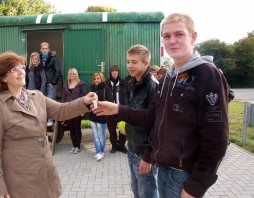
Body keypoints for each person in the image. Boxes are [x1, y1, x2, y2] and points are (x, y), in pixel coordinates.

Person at [93, 13, 229, 198]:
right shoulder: (168, 77)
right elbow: (152, 117)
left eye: (179, 34)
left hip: (183, 175)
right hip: (164, 169)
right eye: (166, 36)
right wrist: (117, 109)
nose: (172, 40)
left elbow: (216, 138)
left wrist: (196, 186)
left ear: (193, 37)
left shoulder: (207, 74)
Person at [0, 51, 97, 198]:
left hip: (45, 175)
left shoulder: (37, 96)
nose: (21, 72)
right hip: (20, 183)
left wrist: (84, 101)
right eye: (14, 69)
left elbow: (61, 110)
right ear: (3, 77)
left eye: (22, 67)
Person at [123, 44, 159, 198]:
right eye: (128, 61)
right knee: (136, 190)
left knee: (148, 194)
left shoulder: (153, 87)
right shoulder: (132, 83)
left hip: (144, 154)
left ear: (146, 63)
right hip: (132, 148)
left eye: (134, 62)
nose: (130, 65)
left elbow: (157, 126)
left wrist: (148, 157)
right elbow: (134, 115)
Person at [62, 68, 87, 154]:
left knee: (77, 128)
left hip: (77, 109)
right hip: (68, 109)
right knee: (71, 129)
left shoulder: (81, 84)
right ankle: (74, 146)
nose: (72, 76)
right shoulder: (66, 85)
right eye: (70, 74)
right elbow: (63, 99)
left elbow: (85, 97)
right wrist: (63, 110)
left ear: (76, 75)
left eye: (73, 74)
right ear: (68, 75)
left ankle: (78, 146)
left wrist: (83, 110)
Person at [89, 72, 113, 161]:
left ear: (101, 78)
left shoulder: (106, 88)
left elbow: (111, 101)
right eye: (95, 79)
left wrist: (101, 104)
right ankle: (98, 151)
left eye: (98, 78)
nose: (96, 80)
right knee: (95, 135)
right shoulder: (91, 89)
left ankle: (101, 151)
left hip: (102, 114)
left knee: (101, 135)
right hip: (92, 115)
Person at [106, 65, 128, 154]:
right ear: (110, 73)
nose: (114, 72)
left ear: (118, 72)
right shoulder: (107, 83)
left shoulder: (123, 82)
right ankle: (114, 145)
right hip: (110, 110)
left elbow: (126, 95)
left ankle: (122, 145)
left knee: (122, 128)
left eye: (116, 71)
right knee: (112, 129)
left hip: (121, 109)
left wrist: (125, 107)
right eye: (112, 71)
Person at [40, 42, 62, 126]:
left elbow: (58, 71)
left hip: (50, 84)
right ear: (40, 49)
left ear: (48, 49)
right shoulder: (38, 58)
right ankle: (44, 119)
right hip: (42, 84)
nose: (45, 50)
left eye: (46, 48)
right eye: (43, 48)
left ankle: (50, 119)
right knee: (42, 102)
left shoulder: (53, 58)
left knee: (51, 101)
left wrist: (53, 82)